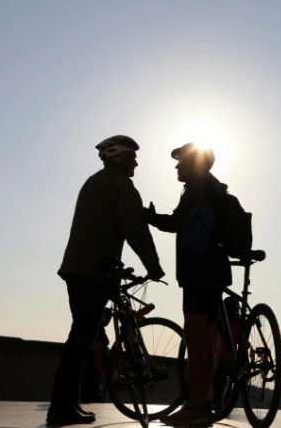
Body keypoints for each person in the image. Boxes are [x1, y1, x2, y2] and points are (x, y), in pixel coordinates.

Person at [47, 135, 165, 426]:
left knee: (82, 337)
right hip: (93, 272)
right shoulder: (122, 186)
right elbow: (135, 228)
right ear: (121, 157)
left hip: (76, 268)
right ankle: (62, 408)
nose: (136, 162)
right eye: (133, 156)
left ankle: (65, 404)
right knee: (82, 339)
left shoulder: (93, 182)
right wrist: (154, 267)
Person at [149, 143, 234, 427]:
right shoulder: (210, 188)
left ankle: (197, 409)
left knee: (196, 344)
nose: (176, 166)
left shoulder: (197, 189)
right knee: (203, 342)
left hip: (200, 273)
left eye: (181, 162)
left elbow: (176, 223)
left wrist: (147, 216)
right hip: (212, 272)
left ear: (194, 164)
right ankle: (201, 404)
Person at [211, 297, 241, 409]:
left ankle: (217, 402)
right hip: (231, 360)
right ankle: (224, 403)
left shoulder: (217, 322)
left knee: (218, 383)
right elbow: (239, 340)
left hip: (216, 359)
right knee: (229, 384)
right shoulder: (236, 323)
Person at [79, 307, 112, 403]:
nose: (108, 320)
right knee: (93, 400)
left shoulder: (99, 328)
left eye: (109, 318)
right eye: (106, 317)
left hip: (93, 371)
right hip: (93, 372)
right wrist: (101, 372)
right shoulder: (97, 329)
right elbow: (96, 351)